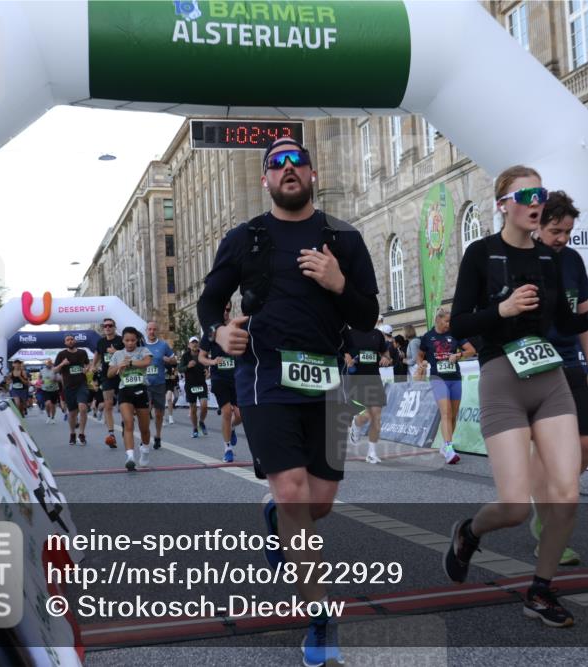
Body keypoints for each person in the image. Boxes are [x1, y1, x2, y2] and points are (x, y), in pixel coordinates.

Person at [196, 137, 379, 665]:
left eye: (297, 161)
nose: (288, 168)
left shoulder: (343, 237)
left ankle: (277, 517)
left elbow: (366, 315)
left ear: (313, 174)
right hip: (266, 375)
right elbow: (210, 300)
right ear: (265, 179)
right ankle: (320, 617)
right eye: (277, 163)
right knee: (297, 492)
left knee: (318, 501)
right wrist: (217, 332)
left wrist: (339, 281)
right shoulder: (244, 237)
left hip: (325, 377)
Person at [443, 165, 588, 627]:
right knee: (515, 507)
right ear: (503, 204)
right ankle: (469, 531)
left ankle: (540, 591)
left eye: (540, 192)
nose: (536, 200)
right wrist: (500, 309)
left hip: (550, 377)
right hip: (502, 377)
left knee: (566, 494)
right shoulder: (481, 254)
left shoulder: (550, 259)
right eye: (527, 194)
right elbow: (458, 323)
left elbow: (567, 321)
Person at [536, 190, 588, 565]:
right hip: (530, 367)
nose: (563, 238)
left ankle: (553, 494)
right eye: (556, 230)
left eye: (567, 230)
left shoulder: (573, 261)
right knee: (548, 452)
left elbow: (584, 319)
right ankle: (549, 523)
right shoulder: (523, 259)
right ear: (536, 224)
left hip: (569, 363)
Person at [417, 309, 476, 464]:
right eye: (446, 321)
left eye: (450, 322)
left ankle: (445, 445)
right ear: (438, 320)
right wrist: (421, 363)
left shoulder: (455, 333)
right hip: (438, 378)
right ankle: (449, 448)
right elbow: (420, 355)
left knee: (453, 415)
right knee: (446, 411)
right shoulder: (427, 337)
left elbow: (471, 350)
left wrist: (459, 355)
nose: (449, 324)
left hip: (455, 378)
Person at [200, 304, 243, 462]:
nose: (225, 313)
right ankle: (227, 449)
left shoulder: (236, 327)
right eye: (222, 309)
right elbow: (201, 357)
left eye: (227, 310)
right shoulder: (211, 331)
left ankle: (231, 428)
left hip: (237, 377)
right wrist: (212, 361)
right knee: (226, 411)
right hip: (219, 378)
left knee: (240, 415)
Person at [108, 327, 154, 471]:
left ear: (136, 340)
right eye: (127, 340)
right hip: (125, 391)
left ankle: (145, 450)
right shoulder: (118, 354)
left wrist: (129, 363)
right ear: (122, 340)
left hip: (140, 389)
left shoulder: (143, 351)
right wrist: (118, 366)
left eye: (132, 340)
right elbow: (109, 373)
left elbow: (147, 362)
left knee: (144, 428)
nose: (130, 343)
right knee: (128, 423)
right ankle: (130, 457)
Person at [344, 326, 390, 464]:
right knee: (365, 416)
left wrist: (386, 358)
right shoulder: (349, 334)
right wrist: (347, 358)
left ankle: (372, 453)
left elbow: (385, 351)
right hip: (355, 382)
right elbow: (341, 351)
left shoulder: (377, 334)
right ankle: (356, 425)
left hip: (374, 380)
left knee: (376, 416)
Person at [143, 321, 177, 451]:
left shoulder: (163, 345)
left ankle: (157, 436)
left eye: (154, 329)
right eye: (149, 329)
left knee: (158, 413)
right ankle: (145, 437)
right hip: (144, 384)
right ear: (146, 331)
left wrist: (169, 360)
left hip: (159, 383)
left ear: (157, 331)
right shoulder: (141, 345)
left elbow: (174, 360)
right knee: (144, 412)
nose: (152, 331)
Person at [92, 317, 123, 447]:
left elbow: (129, 354)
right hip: (107, 376)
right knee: (108, 404)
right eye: (105, 326)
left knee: (124, 405)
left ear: (115, 327)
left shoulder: (121, 340)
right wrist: (93, 365)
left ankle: (125, 422)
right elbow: (98, 354)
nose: (108, 328)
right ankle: (111, 434)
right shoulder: (101, 342)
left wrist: (115, 352)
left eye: (110, 325)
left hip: (122, 374)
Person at [54, 334, 91, 446]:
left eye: (71, 339)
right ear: (65, 343)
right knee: (72, 413)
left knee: (83, 408)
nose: (70, 341)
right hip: (69, 387)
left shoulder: (82, 352)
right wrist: (62, 364)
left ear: (75, 341)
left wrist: (87, 369)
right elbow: (55, 370)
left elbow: (88, 364)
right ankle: (72, 434)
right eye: (67, 340)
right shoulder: (62, 354)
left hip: (82, 385)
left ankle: (82, 434)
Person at [179, 337, 209, 438]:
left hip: (201, 384)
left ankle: (201, 422)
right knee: (193, 409)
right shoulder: (185, 356)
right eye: (192, 343)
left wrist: (207, 370)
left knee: (204, 406)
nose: (194, 344)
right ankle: (195, 428)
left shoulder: (203, 354)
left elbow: (208, 364)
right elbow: (180, 369)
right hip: (190, 385)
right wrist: (188, 366)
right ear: (189, 345)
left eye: (196, 342)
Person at [40, 359, 61, 423]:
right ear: (45, 364)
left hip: (54, 389)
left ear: (52, 364)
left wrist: (55, 379)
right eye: (47, 363)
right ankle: (48, 416)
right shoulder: (42, 370)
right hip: (45, 389)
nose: (48, 364)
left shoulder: (55, 369)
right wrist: (41, 381)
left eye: (50, 363)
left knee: (53, 405)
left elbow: (59, 379)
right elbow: (40, 378)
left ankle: (53, 418)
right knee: (47, 404)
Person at [164, 357, 179, 425]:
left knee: (169, 399)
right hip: (161, 382)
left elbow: (176, 371)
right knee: (161, 401)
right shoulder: (159, 361)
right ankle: (163, 417)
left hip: (169, 383)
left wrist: (174, 375)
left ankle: (170, 417)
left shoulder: (173, 362)